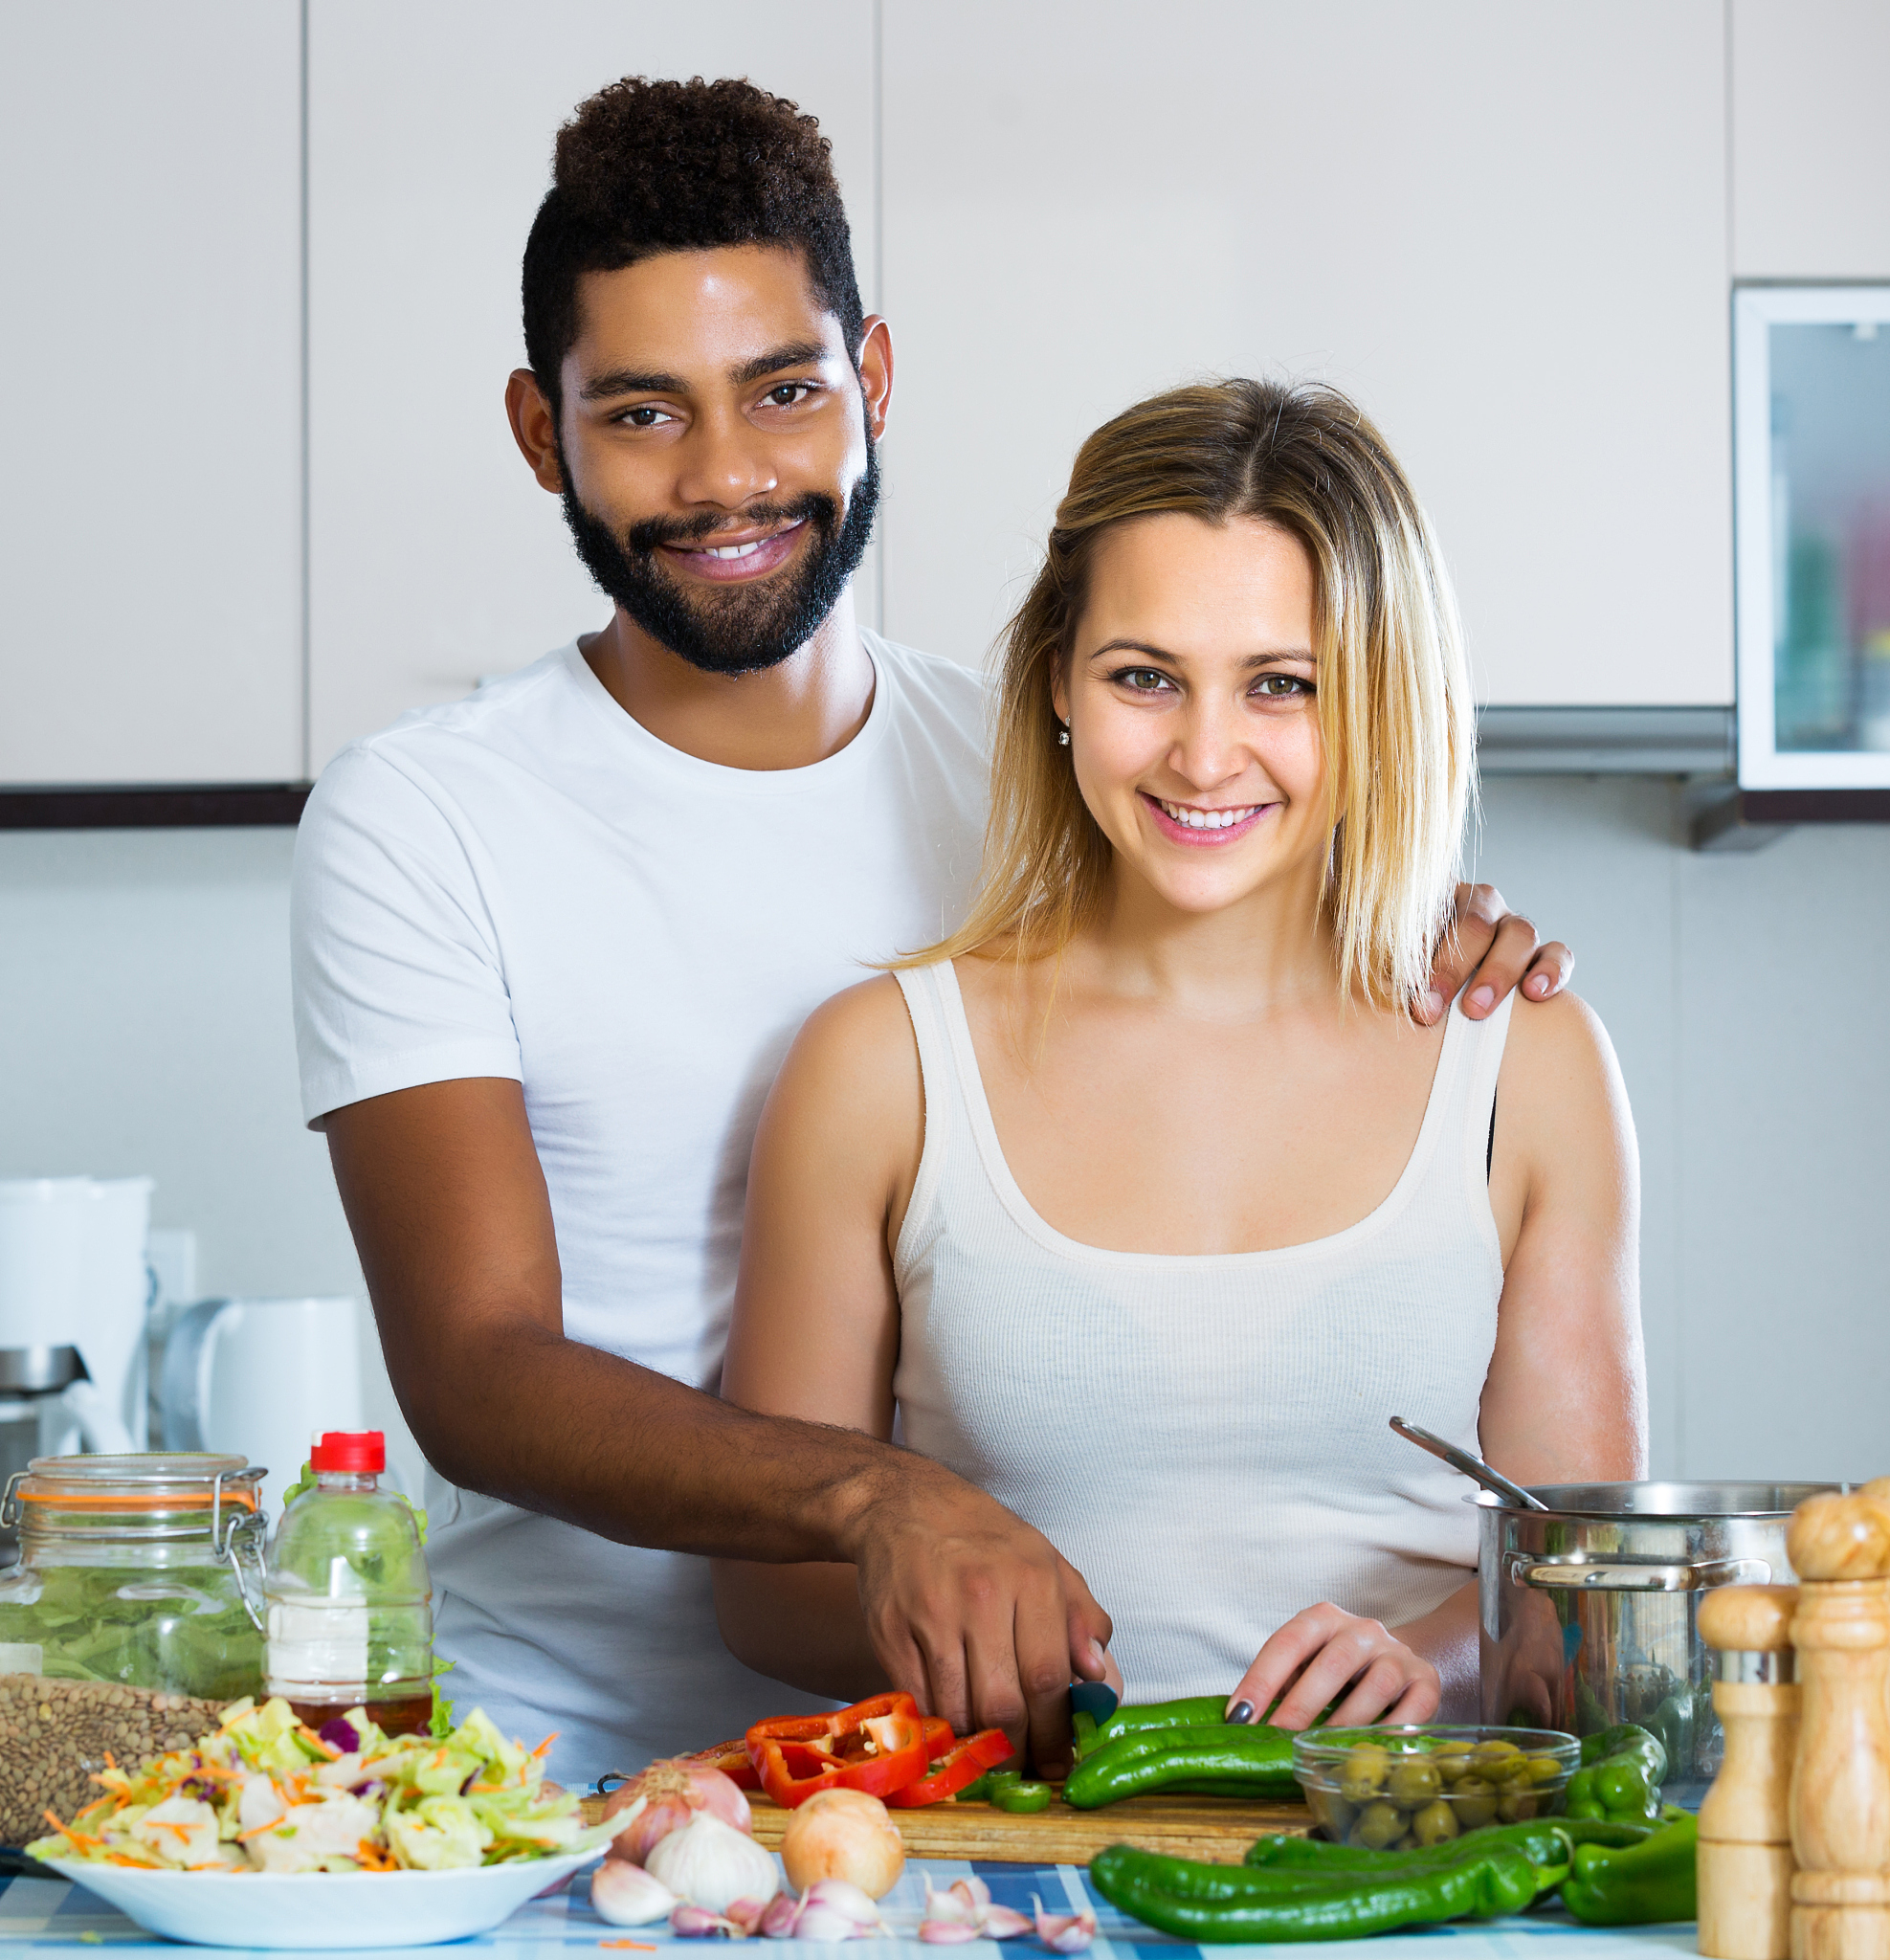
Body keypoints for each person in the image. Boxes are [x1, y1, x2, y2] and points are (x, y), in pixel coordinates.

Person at [291, 77, 1574, 1783]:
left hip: (977, 1766)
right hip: (567, 1754)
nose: (731, 473)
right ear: (544, 432)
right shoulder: (425, 816)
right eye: (644, 415)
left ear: (873, 382)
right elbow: (475, 1366)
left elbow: (1265, 870)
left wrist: (1422, 914)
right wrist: (884, 1503)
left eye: (785, 392)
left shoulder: (1060, 757)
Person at [713, 378, 1645, 1728]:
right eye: (1144, 677)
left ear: (1380, 700)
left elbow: (1587, 1571)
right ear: (1057, 685)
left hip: (1406, 1869)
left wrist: (1434, 1659)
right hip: (1013, 1877)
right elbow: (764, 1594)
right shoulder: (879, 1065)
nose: (1207, 756)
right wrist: (957, 1623)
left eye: (1284, 686)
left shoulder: (1528, 1061)